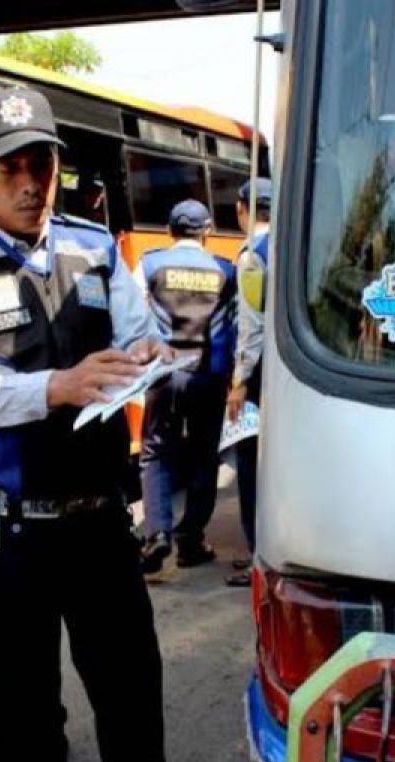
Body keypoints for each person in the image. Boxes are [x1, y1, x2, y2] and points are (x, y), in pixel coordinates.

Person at [0, 86, 181, 762]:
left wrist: (145, 351)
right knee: (25, 729)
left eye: (41, 166)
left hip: (97, 524)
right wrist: (54, 387)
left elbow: (130, 332)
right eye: (9, 170)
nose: (30, 185)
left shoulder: (92, 250)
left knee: (133, 709)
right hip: (6, 540)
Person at [136, 199, 236, 574]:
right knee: (203, 456)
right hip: (209, 376)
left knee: (155, 452)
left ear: (169, 231)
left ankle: (156, 533)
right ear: (207, 231)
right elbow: (238, 327)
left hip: (163, 374)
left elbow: (132, 314)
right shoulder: (225, 271)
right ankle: (191, 540)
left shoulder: (149, 264)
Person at [225, 177, 271, 588]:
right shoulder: (293, 242)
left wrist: (239, 381)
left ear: (243, 209)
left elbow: (250, 326)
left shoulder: (252, 257)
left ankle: (258, 555)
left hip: (259, 378)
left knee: (251, 465)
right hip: (287, 374)